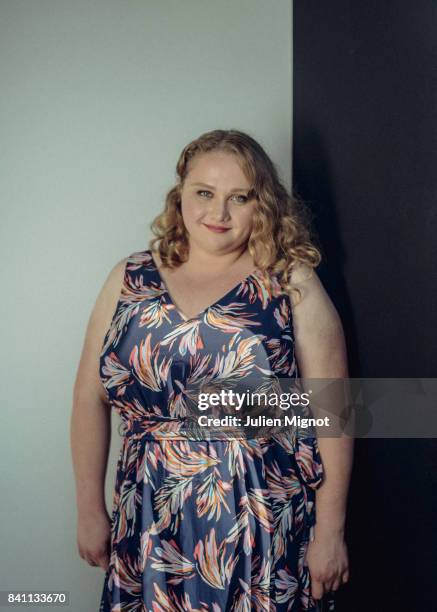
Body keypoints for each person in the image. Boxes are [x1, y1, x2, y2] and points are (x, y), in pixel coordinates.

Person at [71, 129, 353, 611]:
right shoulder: (129, 279)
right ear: (180, 192)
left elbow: (335, 415)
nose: (218, 214)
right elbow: (87, 398)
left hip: (259, 517)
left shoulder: (290, 283)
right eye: (204, 193)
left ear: (261, 204)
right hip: (150, 518)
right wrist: (90, 511)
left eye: (238, 198)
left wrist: (331, 531)